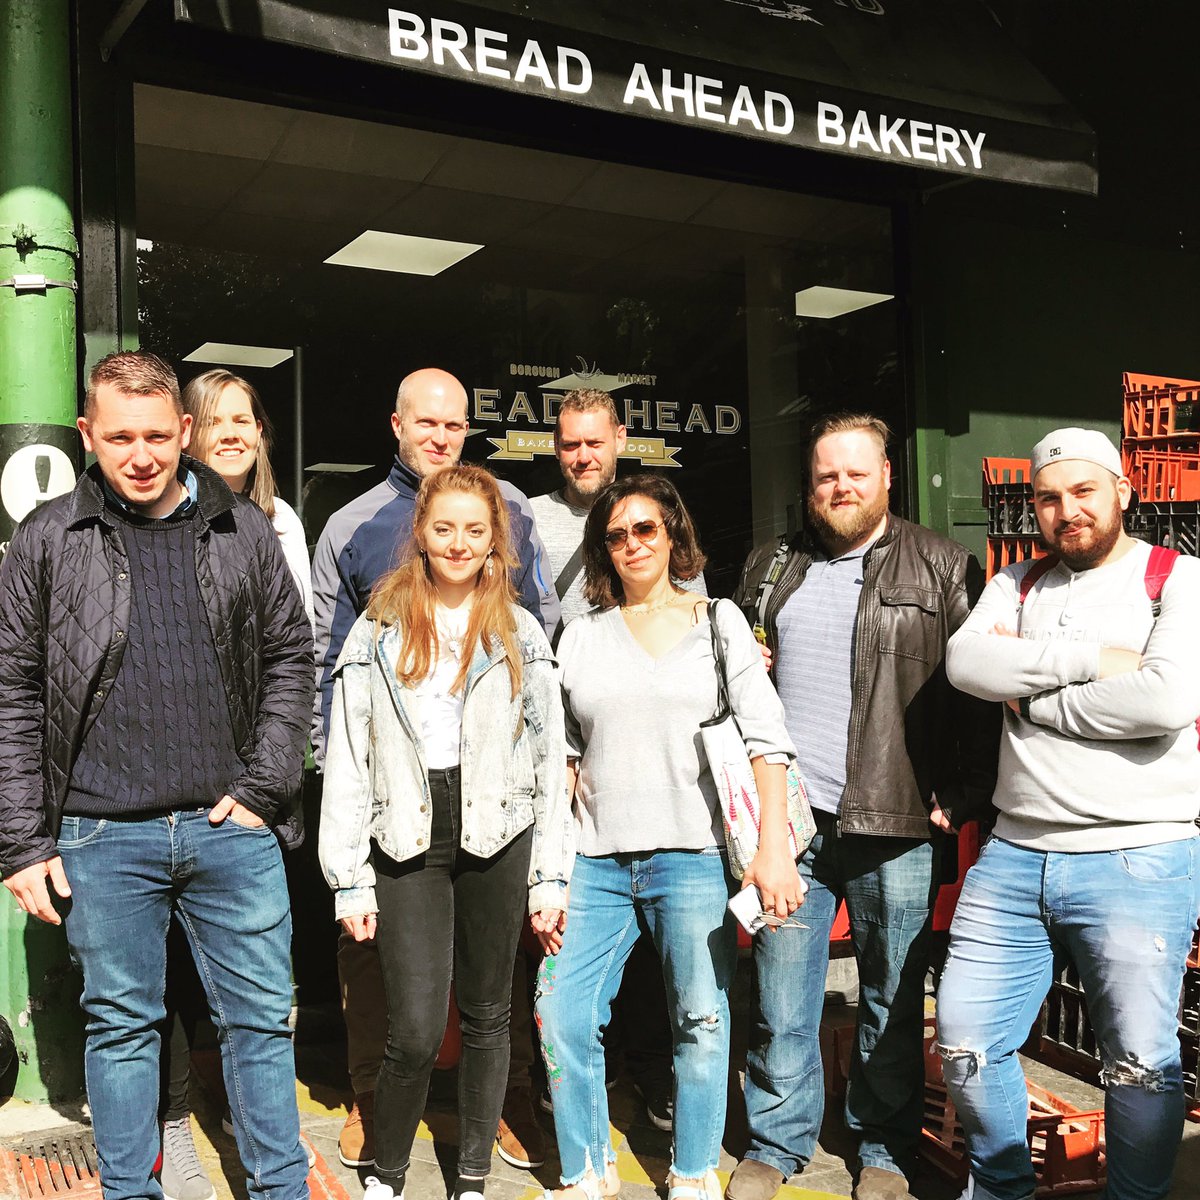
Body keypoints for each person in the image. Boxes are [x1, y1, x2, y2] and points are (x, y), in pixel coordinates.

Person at [0, 351, 314, 1200]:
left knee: (259, 1027)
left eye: (155, 435)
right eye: (118, 437)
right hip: (101, 834)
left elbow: (292, 659)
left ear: (184, 431)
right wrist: (22, 844)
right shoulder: (47, 539)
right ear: (86, 436)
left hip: (231, 830)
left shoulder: (241, 529)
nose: (139, 455)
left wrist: (263, 787)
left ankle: (280, 1191)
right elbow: (13, 693)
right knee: (123, 1029)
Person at [728, 413, 998, 1200]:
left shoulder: (945, 565)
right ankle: (777, 1143)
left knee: (891, 994)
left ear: (885, 475)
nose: (839, 487)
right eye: (824, 476)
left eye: (854, 472)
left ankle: (883, 1149)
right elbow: (734, 672)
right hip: (790, 821)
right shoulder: (773, 565)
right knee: (783, 991)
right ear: (810, 487)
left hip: (899, 816)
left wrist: (965, 791)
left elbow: (979, 695)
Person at [940, 427, 1200, 1200]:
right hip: (1015, 855)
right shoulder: (1016, 584)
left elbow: (1165, 699)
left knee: (1139, 1063)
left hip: (1139, 857)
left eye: (1084, 492)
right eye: (1049, 498)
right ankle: (1002, 1188)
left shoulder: (1175, 578)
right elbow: (964, 662)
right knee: (964, 1041)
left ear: (1122, 492)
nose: (1066, 511)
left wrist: (1028, 700)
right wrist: (1089, 667)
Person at [310, 367, 558, 1169]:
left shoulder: (515, 520)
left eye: (454, 425)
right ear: (397, 424)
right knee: (398, 1003)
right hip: (397, 809)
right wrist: (345, 855)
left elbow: (540, 708)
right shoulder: (353, 532)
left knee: (494, 999)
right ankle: (372, 1109)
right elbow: (336, 680)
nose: (440, 435)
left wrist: (551, 868)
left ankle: (492, 1136)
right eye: (427, 422)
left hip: (495, 808)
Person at [535, 473, 802, 1200]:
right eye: (616, 535)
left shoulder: (720, 624)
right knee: (559, 1012)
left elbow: (767, 743)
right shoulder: (581, 634)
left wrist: (772, 850)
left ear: (673, 535)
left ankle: (692, 1172)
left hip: (691, 855)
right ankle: (588, 1171)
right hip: (594, 859)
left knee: (701, 1020)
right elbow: (560, 758)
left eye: (646, 529)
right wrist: (549, 872)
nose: (631, 545)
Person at [139, 369, 317, 1200]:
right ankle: (172, 1127)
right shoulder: (164, 521)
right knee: (167, 977)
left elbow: (296, 651)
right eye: (219, 421)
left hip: (257, 788)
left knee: (256, 992)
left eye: (247, 419)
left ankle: (267, 1152)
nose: (236, 433)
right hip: (179, 786)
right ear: (187, 434)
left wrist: (272, 777)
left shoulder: (281, 523)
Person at [528, 388, 703, 1135]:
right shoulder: (532, 519)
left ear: (620, 438)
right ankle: (562, 1088)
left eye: (594, 442)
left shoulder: (653, 519)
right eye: (569, 444)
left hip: (660, 777)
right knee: (570, 943)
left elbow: (695, 629)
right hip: (574, 746)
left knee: (663, 965)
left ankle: (655, 1075)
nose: (582, 456)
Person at [184, 368, 313, 619]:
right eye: (212, 422)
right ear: (187, 434)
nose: (230, 435)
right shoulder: (171, 522)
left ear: (258, 431)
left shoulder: (282, 519)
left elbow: (305, 632)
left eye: (241, 421)